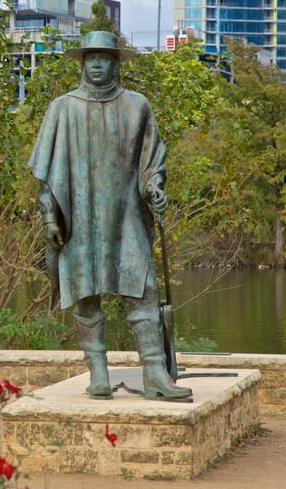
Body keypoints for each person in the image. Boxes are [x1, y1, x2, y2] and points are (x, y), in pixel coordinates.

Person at [28, 31, 192, 401]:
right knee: (84, 292)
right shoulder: (63, 108)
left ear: (116, 64)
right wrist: (50, 216)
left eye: (104, 58)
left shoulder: (136, 106)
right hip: (80, 217)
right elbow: (47, 174)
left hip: (124, 216)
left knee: (144, 291)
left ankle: (155, 372)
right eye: (91, 58)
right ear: (82, 63)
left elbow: (151, 161)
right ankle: (98, 370)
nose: (97, 65)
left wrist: (154, 187)